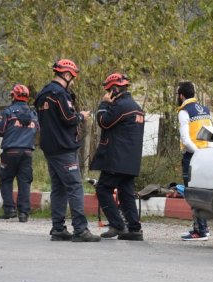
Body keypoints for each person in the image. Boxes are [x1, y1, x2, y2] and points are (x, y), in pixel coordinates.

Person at [34, 59, 100, 242]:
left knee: (59, 188)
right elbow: (68, 118)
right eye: (73, 77)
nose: (74, 81)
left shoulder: (42, 94)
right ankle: (80, 230)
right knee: (75, 187)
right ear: (67, 74)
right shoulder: (59, 94)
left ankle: (58, 229)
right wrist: (81, 116)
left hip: (50, 147)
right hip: (64, 148)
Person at [89, 73, 145, 241]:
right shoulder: (136, 106)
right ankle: (134, 229)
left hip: (117, 159)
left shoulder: (122, 106)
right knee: (126, 193)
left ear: (114, 89)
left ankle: (118, 225)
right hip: (130, 160)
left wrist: (104, 104)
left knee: (103, 189)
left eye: (108, 90)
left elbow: (104, 122)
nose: (106, 93)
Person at [0, 84, 39, 223]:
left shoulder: (7, 112)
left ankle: (9, 210)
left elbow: (0, 131)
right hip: (27, 152)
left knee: (5, 179)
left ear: (13, 95)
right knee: (24, 182)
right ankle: (23, 213)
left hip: (10, 151)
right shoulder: (33, 114)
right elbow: (37, 130)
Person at [177, 81, 212, 241]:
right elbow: (212, 133)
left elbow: (185, 138)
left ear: (181, 95)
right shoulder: (205, 109)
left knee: (192, 192)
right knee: (202, 191)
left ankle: (200, 231)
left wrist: (196, 153)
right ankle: (205, 228)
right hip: (206, 154)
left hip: (192, 155)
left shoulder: (184, 112)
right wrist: (207, 152)